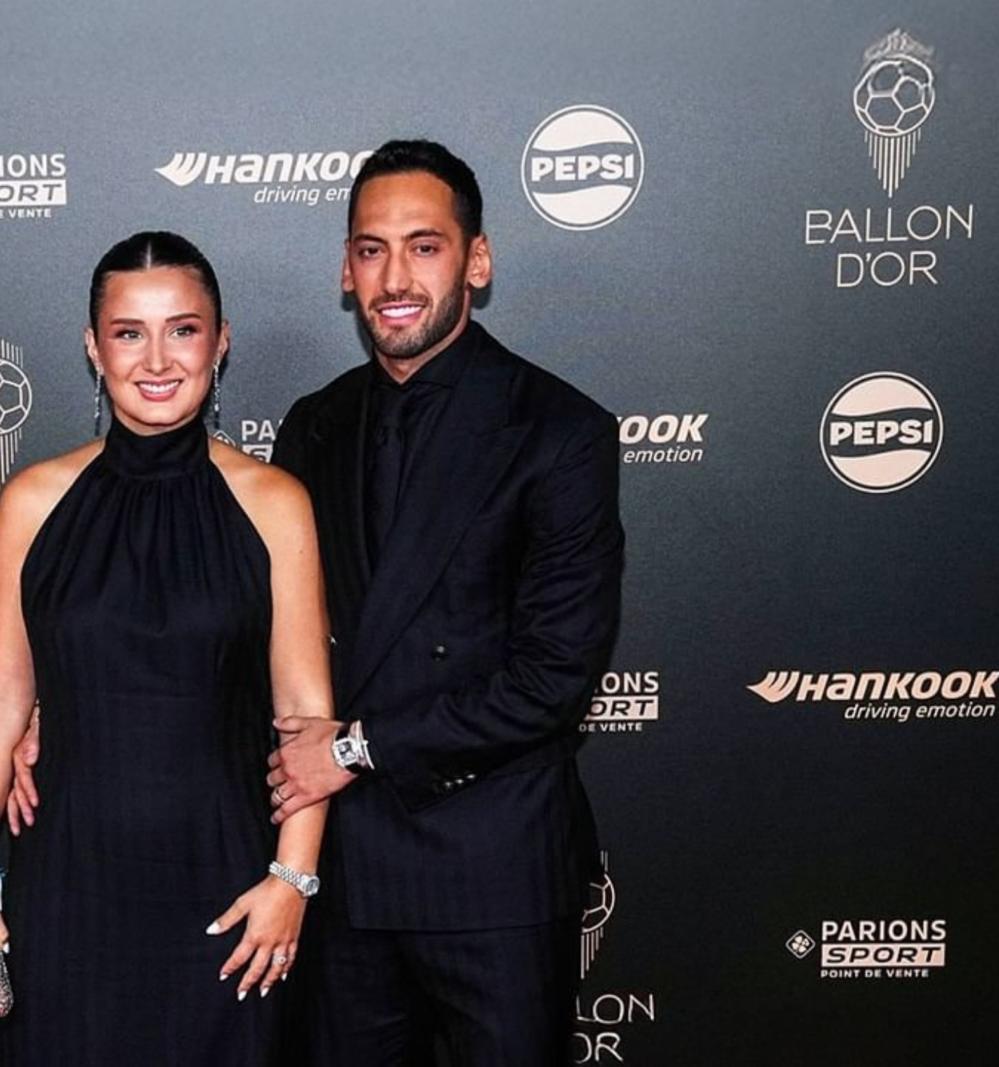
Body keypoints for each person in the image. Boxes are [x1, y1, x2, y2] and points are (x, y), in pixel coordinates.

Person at [0, 231, 333, 1065]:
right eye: (128, 332)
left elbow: (305, 713)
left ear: (221, 343)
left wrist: (292, 879)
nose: (158, 358)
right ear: (93, 347)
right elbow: (2, 692)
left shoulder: (273, 503)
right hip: (70, 889)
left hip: (228, 891)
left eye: (184, 329)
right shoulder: (34, 500)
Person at [264, 140, 623, 1065]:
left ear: (478, 259)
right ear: (346, 270)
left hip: (491, 873)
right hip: (341, 877)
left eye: (424, 246)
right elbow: (258, 630)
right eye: (371, 249)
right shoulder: (314, 424)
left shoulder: (560, 431)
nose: (395, 276)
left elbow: (552, 679)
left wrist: (354, 746)